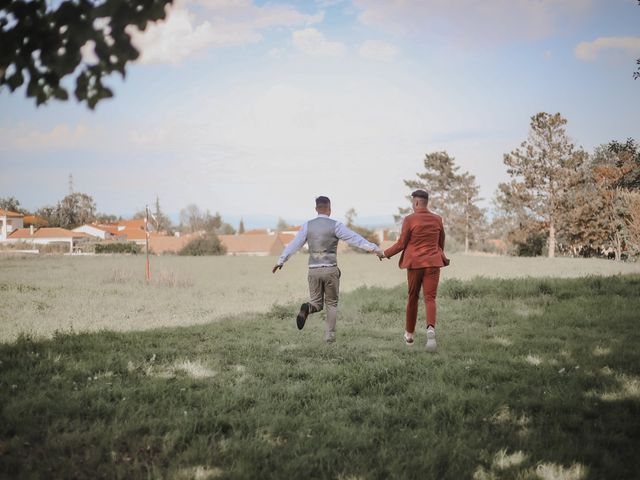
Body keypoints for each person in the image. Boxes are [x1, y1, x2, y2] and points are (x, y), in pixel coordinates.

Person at [272, 196, 384, 343]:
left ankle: (307, 308)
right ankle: (329, 337)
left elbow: (294, 244)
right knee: (331, 303)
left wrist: (281, 260)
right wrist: (376, 249)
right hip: (330, 270)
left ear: (316, 209)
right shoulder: (336, 225)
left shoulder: (307, 226)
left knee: (316, 304)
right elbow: (355, 239)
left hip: (313, 270)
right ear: (329, 209)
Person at [381, 189, 449, 350]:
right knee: (430, 298)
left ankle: (410, 335)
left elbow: (402, 243)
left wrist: (384, 253)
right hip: (433, 263)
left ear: (416, 202)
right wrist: (436, 254)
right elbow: (441, 241)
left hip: (415, 264)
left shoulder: (409, 219)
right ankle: (430, 330)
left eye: (413, 202)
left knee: (413, 297)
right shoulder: (437, 219)